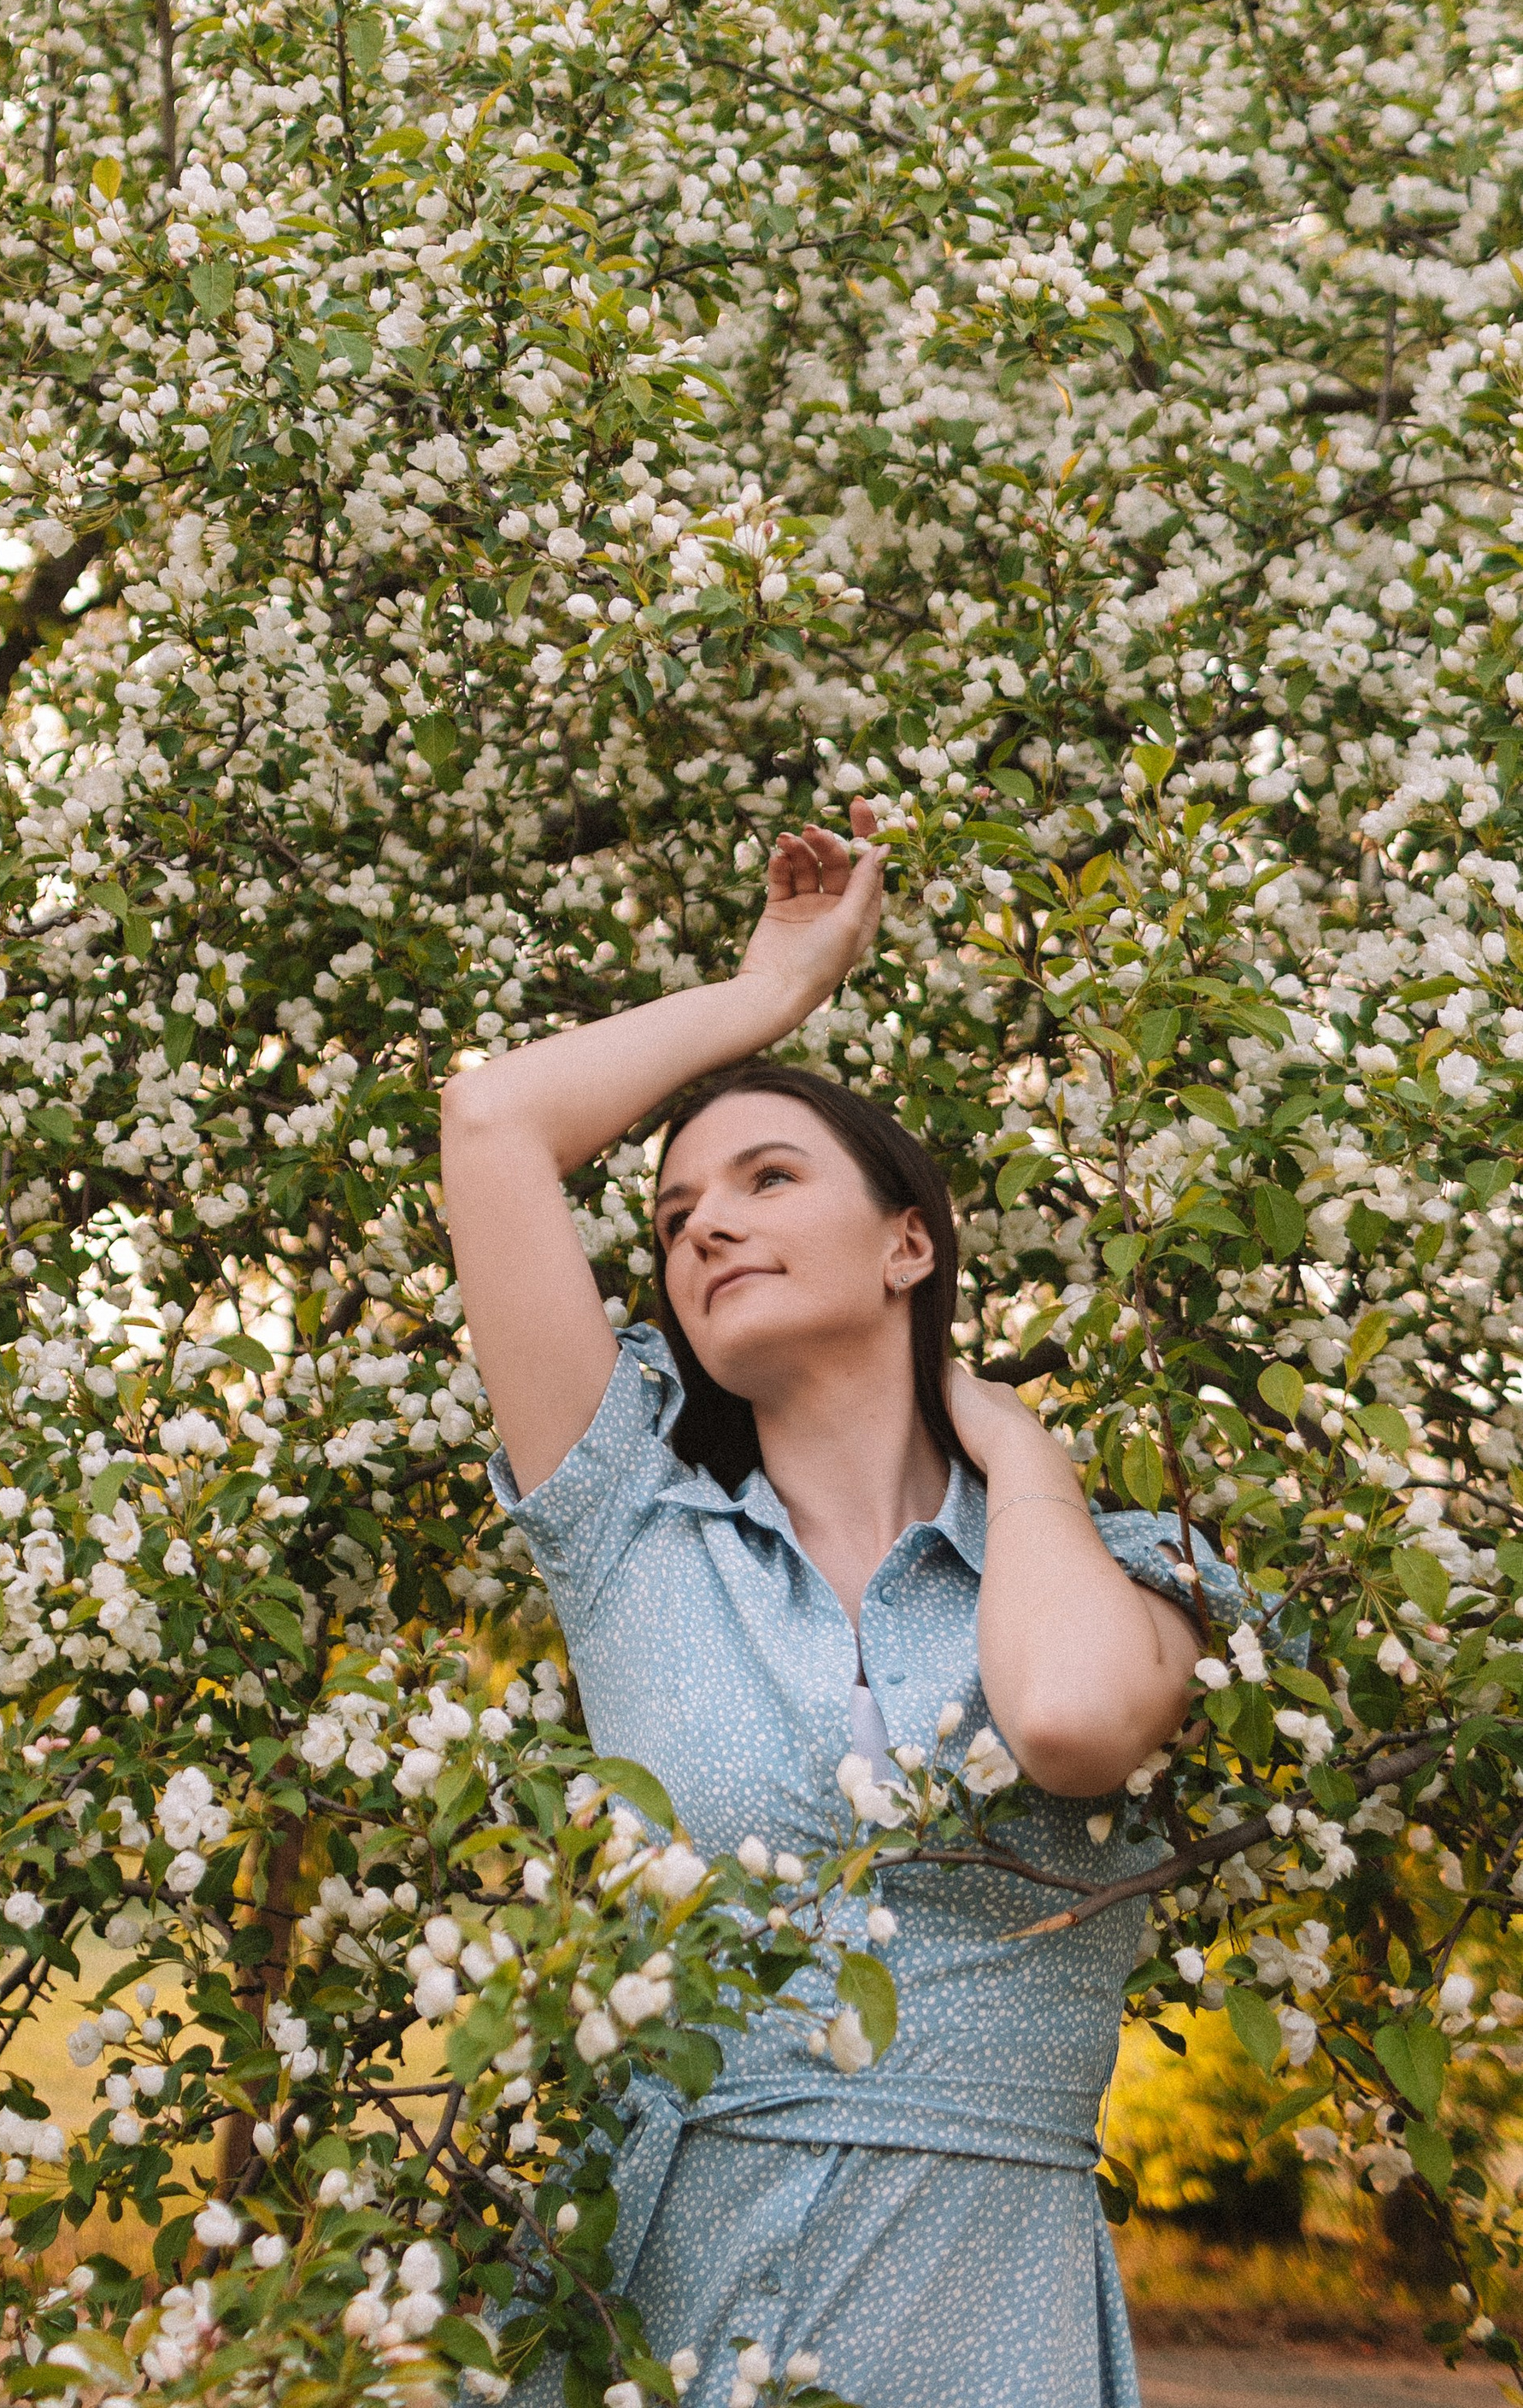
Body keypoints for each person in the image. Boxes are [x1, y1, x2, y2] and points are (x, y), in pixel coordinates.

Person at [439, 806, 1239, 2408]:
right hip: (657, 2286)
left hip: (975, 2302)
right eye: (673, 1219)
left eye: (766, 1176)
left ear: (908, 1243)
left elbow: (1075, 1723)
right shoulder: (630, 1527)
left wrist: (1016, 1451)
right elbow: (493, 1122)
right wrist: (769, 996)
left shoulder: (1136, 1567)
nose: (704, 1225)